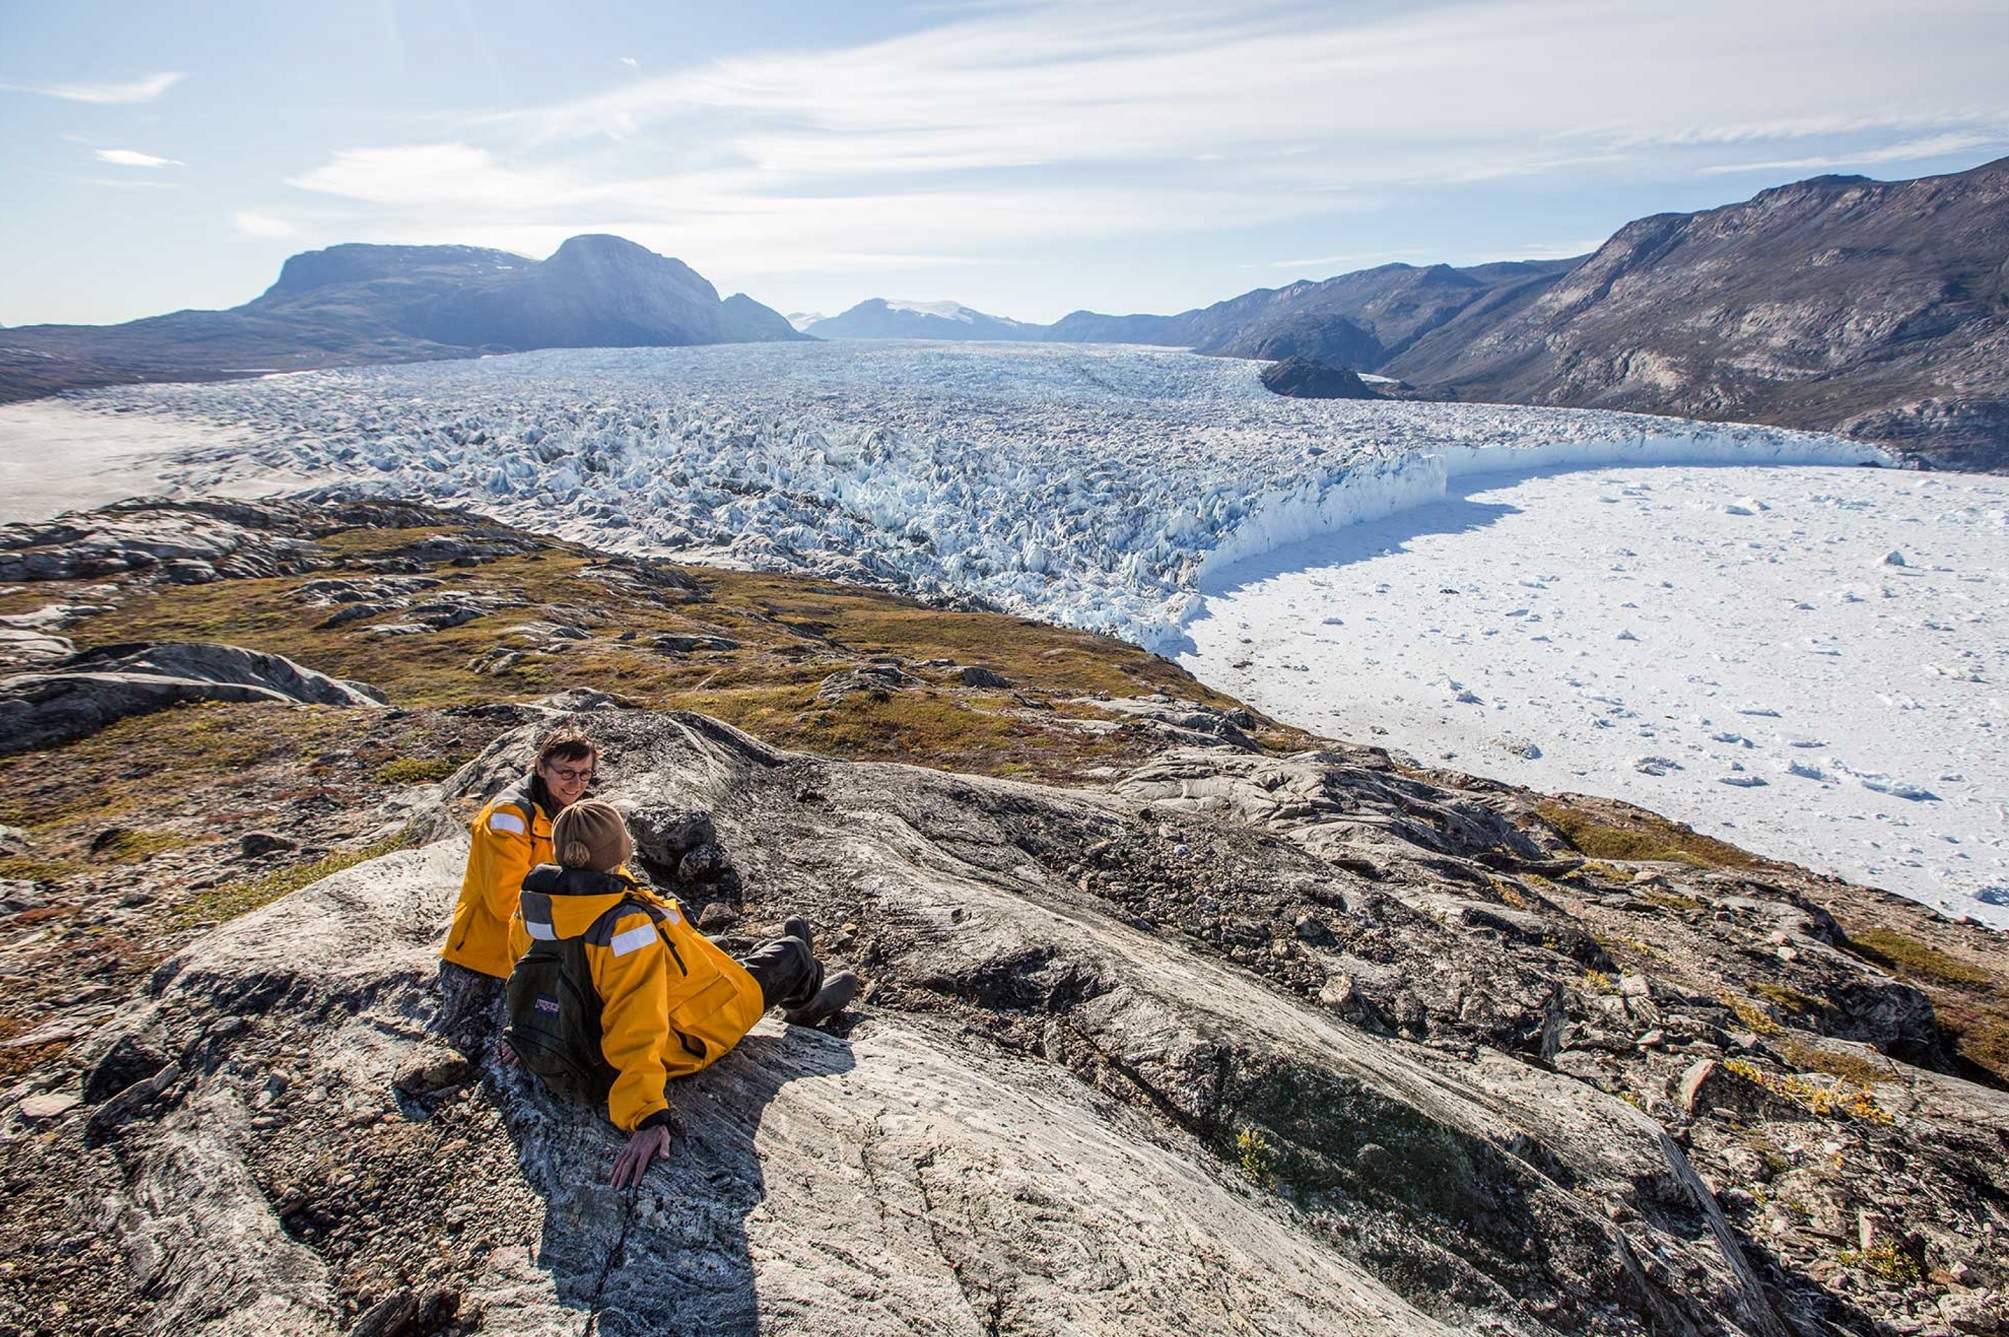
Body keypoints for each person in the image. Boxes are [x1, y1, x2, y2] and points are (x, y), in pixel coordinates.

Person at [506, 799, 860, 1187]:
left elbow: (527, 974)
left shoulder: (537, 908)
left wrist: (525, 1033)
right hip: (685, 1034)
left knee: (728, 949)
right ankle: (805, 996)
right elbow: (636, 1020)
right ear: (618, 849)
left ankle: (795, 962)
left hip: (578, 1038)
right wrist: (646, 1115)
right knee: (788, 956)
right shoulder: (623, 928)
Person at [437, 730, 600, 1056]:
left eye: (585, 774)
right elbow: (506, 903)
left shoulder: (573, 807)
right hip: (493, 951)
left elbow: (602, 867)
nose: (576, 783)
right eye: (566, 773)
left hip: (542, 934)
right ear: (541, 767)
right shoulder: (508, 817)